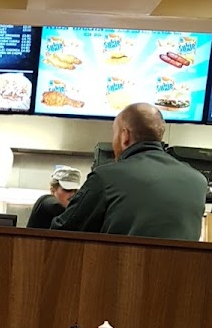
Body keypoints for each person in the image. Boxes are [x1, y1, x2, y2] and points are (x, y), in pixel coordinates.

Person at [51, 102, 207, 240]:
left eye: (115, 133)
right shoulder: (198, 182)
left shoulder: (106, 177)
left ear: (125, 135)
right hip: (179, 266)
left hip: (120, 264)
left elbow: (62, 234)